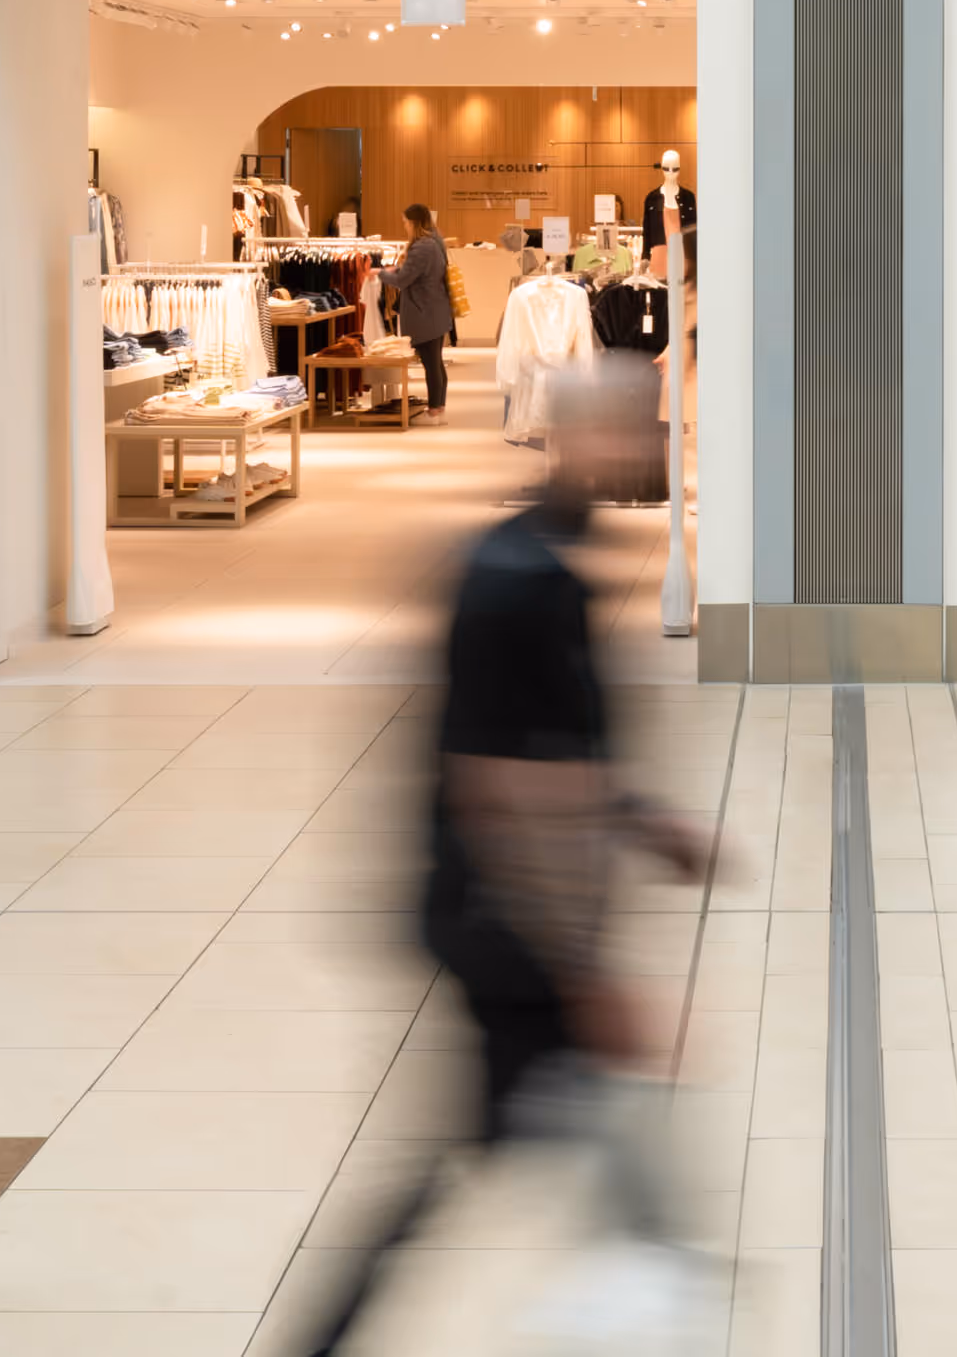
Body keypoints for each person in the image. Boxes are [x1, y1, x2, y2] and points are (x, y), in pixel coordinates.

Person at [296, 359, 719, 1356]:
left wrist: (643, 817)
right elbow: (504, 781)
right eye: (627, 428)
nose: (644, 443)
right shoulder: (522, 578)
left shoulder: (539, 554)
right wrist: (582, 966)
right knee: (561, 1141)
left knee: (486, 1147)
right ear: (574, 438)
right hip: (504, 921)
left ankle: (647, 1279)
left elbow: (552, 750)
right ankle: (648, 1291)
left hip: (491, 912)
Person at [391, 202, 456, 416]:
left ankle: (435, 408)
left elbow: (404, 279)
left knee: (431, 362)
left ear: (413, 222)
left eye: (405, 222)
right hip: (435, 309)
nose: (404, 226)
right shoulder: (436, 241)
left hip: (426, 311)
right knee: (435, 361)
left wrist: (382, 274)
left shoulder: (423, 246)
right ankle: (440, 405)